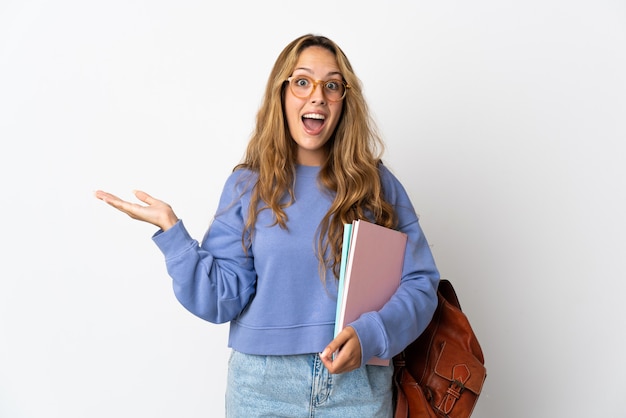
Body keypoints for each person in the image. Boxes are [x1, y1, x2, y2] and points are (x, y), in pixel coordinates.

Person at [95, 34, 439, 417]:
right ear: (281, 93)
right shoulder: (248, 186)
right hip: (262, 388)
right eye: (302, 81)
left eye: (332, 86)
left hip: (357, 386)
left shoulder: (376, 183)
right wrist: (173, 234)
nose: (317, 97)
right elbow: (219, 298)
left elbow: (421, 284)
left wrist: (372, 333)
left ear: (344, 101)